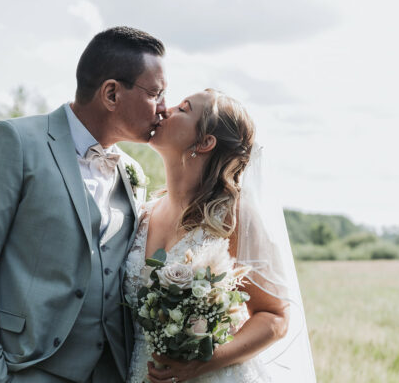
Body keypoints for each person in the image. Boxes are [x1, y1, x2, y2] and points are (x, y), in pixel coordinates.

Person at [0, 26, 167, 383]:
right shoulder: (14, 142)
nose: (164, 109)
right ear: (111, 93)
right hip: (20, 369)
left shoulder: (132, 172)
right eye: (156, 93)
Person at [123, 89, 316, 382]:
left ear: (204, 142)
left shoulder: (233, 216)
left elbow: (275, 318)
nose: (164, 109)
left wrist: (201, 364)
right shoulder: (143, 213)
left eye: (183, 108)